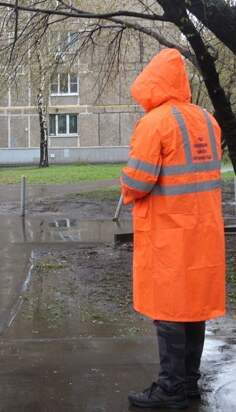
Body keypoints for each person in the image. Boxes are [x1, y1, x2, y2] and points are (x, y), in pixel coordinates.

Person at [121, 49, 225, 409]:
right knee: (194, 309)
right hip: (205, 231)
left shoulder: (155, 123)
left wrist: (125, 186)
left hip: (168, 234)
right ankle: (188, 385)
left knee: (168, 312)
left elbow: (137, 180)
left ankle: (169, 389)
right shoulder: (208, 120)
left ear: (151, 83)